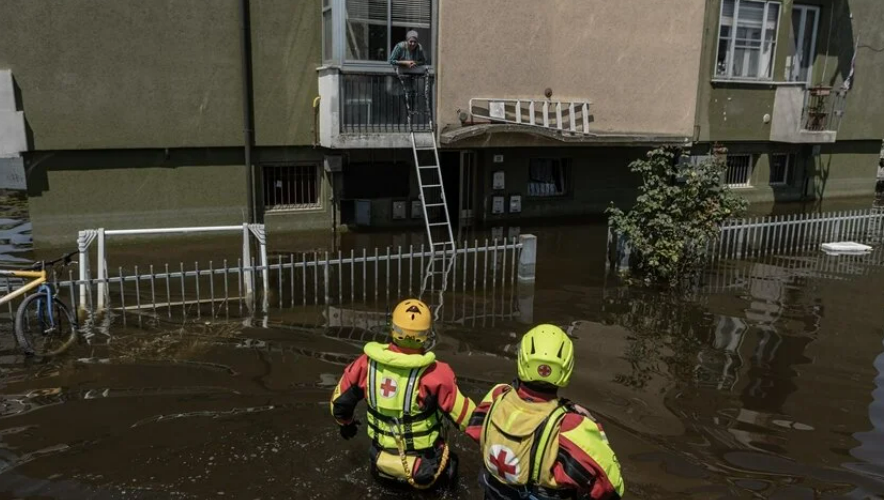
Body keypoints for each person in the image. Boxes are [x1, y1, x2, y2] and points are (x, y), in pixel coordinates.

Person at [330, 298, 476, 490]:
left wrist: (346, 425)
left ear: (393, 328)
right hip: (424, 471)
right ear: (427, 334)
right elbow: (470, 420)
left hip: (381, 465)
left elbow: (338, 405)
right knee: (453, 464)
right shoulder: (436, 374)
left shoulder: (365, 365)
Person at [467, 324, 625, 499]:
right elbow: (612, 485)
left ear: (522, 361)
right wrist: (593, 426)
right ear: (567, 369)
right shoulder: (572, 427)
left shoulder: (496, 398)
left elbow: (474, 430)